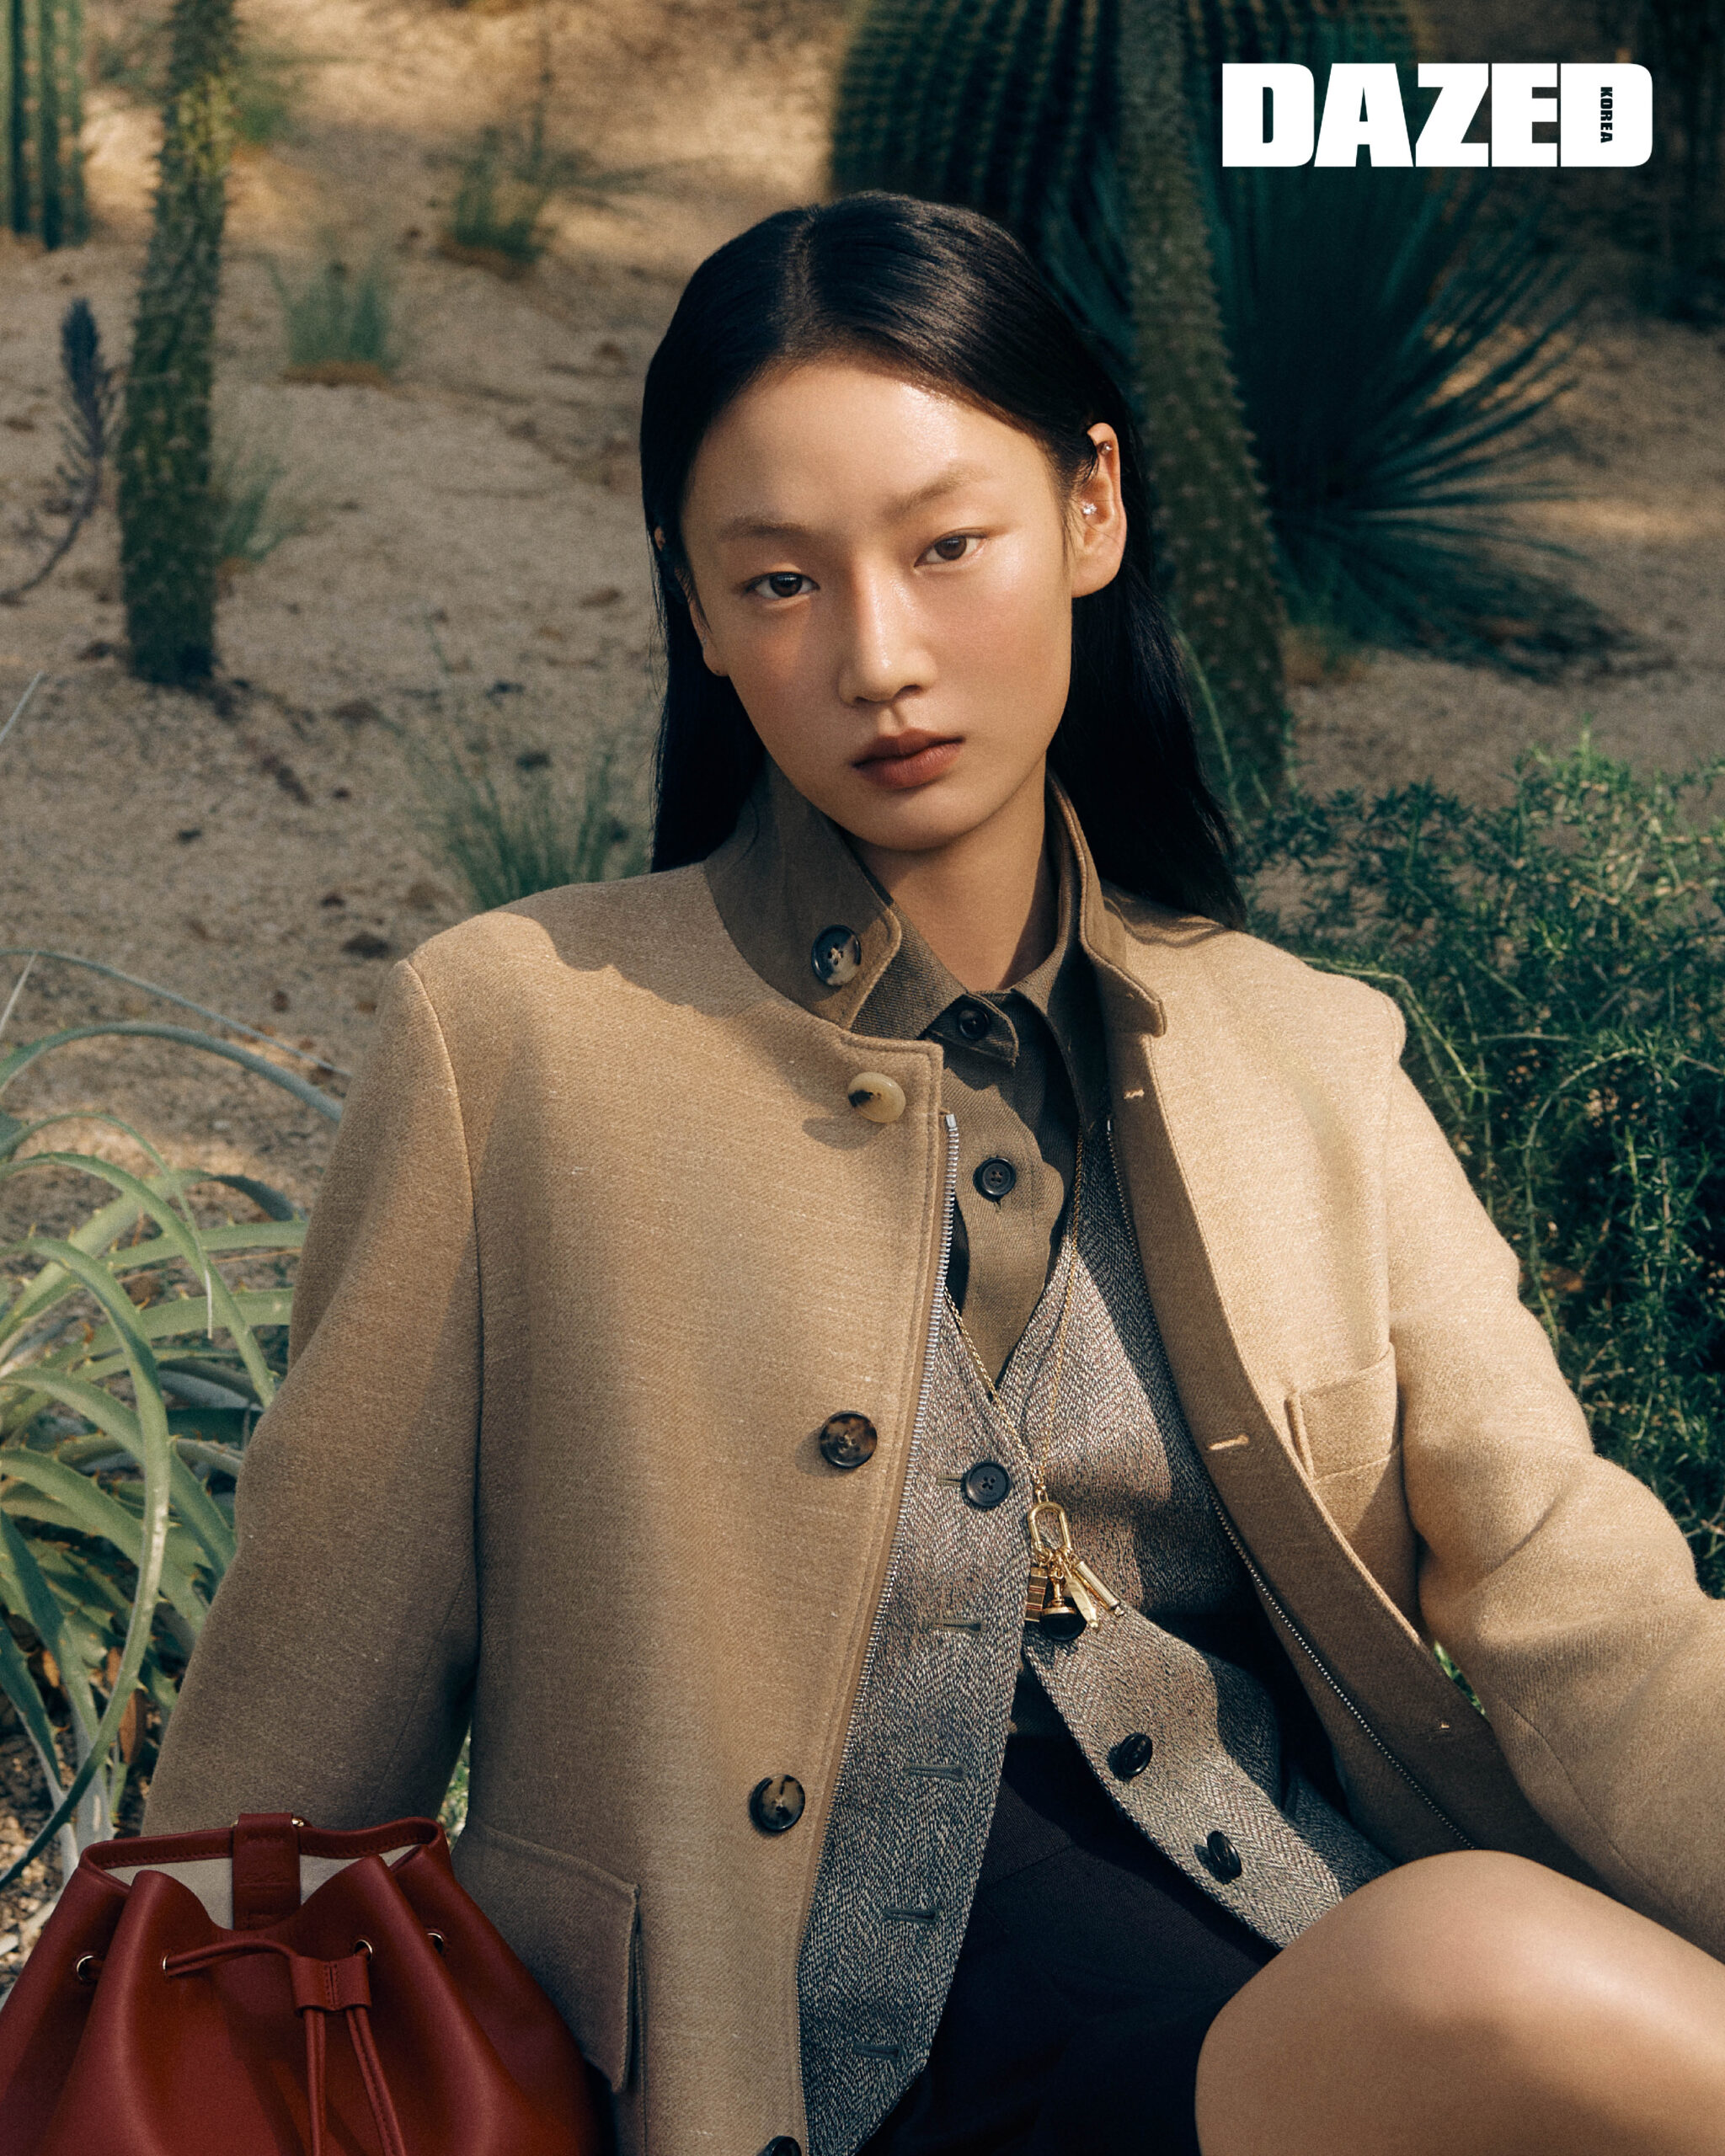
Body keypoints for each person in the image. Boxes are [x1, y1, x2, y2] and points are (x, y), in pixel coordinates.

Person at [144, 193, 1725, 2156]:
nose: (878, 654)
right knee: (1474, 1961)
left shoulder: (1305, 1053)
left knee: (1463, 1967)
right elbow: (310, 1698)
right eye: (779, 580)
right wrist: (164, 2050)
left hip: (1283, 2003)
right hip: (788, 2079)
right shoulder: (519, 1040)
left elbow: (1586, 1607)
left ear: (1093, 510)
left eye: (946, 545)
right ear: (698, 614)